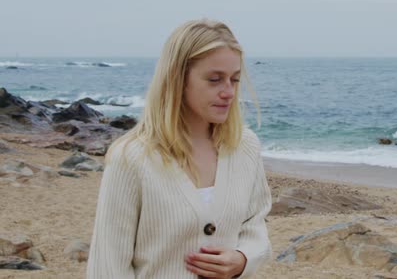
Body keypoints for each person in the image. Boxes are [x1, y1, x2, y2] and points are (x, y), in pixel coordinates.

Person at [87, 19, 272, 278]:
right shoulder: (131, 158)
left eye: (235, 79)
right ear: (177, 79)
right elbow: (108, 266)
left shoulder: (245, 146)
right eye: (215, 79)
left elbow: (255, 226)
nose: (229, 92)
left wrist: (242, 259)